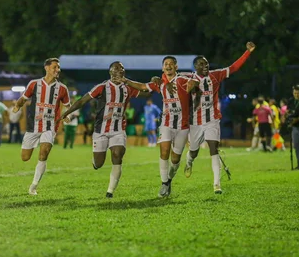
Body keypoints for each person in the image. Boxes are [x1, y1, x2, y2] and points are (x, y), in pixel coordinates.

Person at [58, 61, 140, 198]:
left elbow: (144, 91)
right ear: (111, 72)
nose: (120, 71)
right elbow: (82, 101)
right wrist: (67, 112)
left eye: (122, 69)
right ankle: (95, 162)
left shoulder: (128, 88)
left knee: (117, 155)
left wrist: (154, 84)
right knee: (99, 163)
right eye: (117, 69)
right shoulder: (102, 87)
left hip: (118, 129)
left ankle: (110, 191)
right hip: (100, 129)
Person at [183, 41, 256, 194]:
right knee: (194, 151)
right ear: (195, 67)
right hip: (195, 122)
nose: (206, 66)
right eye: (202, 64)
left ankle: (217, 184)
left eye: (207, 64)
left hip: (212, 120)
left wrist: (247, 52)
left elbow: (234, 68)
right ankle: (189, 161)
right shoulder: (188, 79)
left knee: (213, 149)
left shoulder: (215, 76)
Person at [121, 56, 198, 197]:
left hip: (183, 125)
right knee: (164, 152)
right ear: (162, 68)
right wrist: (126, 81)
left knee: (175, 160)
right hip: (166, 123)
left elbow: (196, 80)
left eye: (171, 64)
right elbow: (143, 87)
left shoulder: (182, 80)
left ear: (176, 66)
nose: (168, 66)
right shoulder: (159, 83)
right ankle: (164, 184)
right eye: (165, 64)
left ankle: (168, 180)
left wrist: (194, 84)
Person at [12, 58, 71, 195]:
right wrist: (17, 106)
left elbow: (68, 106)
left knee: (44, 152)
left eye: (58, 68)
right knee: (25, 157)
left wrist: (67, 115)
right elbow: (23, 98)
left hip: (50, 126)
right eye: (55, 67)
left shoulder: (62, 88)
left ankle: (34, 186)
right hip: (33, 125)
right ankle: (33, 180)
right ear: (46, 68)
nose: (57, 70)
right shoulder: (34, 84)